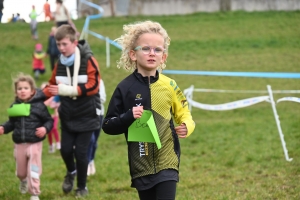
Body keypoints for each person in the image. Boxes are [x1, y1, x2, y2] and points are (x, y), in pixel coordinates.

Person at [102, 20, 195, 200]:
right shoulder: (124, 88)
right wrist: (129, 116)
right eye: (146, 48)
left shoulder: (170, 85)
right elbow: (108, 125)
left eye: (157, 50)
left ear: (164, 57)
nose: (152, 53)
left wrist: (187, 125)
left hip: (168, 160)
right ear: (133, 55)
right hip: (140, 162)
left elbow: (185, 113)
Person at [42, 24, 101, 198]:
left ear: (74, 42)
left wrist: (68, 90)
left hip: (87, 114)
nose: (61, 48)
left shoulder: (88, 59)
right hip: (67, 115)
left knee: (81, 153)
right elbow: (52, 85)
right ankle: (71, 172)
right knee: (66, 150)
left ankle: (82, 187)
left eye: (64, 44)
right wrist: (35, 96)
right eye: (58, 45)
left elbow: (94, 86)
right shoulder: (59, 63)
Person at [0, 73, 53, 200]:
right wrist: (3, 127)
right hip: (19, 143)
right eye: (19, 89)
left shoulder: (39, 106)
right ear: (16, 91)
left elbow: (49, 120)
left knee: (33, 169)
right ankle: (23, 180)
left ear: (32, 90)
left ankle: (34, 193)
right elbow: (11, 123)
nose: (22, 91)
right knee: (21, 172)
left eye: (25, 88)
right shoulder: (15, 106)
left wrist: (45, 129)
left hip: (35, 142)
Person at [87, 78, 106, 176]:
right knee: (90, 139)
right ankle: (87, 162)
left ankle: (91, 161)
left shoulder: (99, 81)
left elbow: (103, 98)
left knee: (94, 141)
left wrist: (89, 98)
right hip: (86, 115)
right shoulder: (84, 82)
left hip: (98, 114)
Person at [41, 83, 61, 153]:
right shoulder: (42, 100)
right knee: (49, 131)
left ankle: (58, 143)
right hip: (47, 118)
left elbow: (56, 106)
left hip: (54, 116)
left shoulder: (53, 97)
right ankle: (51, 145)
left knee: (54, 128)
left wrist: (55, 113)